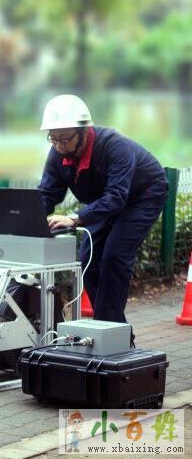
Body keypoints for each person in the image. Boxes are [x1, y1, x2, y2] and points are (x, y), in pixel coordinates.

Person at [37, 94, 168, 346]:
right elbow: (47, 193)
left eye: (64, 138)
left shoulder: (115, 146)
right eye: (53, 138)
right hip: (105, 201)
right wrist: (27, 218)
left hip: (143, 195)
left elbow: (117, 197)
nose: (59, 145)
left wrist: (75, 218)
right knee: (88, 261)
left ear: (83, 132)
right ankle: (114, 332)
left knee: (114, 256)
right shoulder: (58, 153)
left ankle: (111, 336)